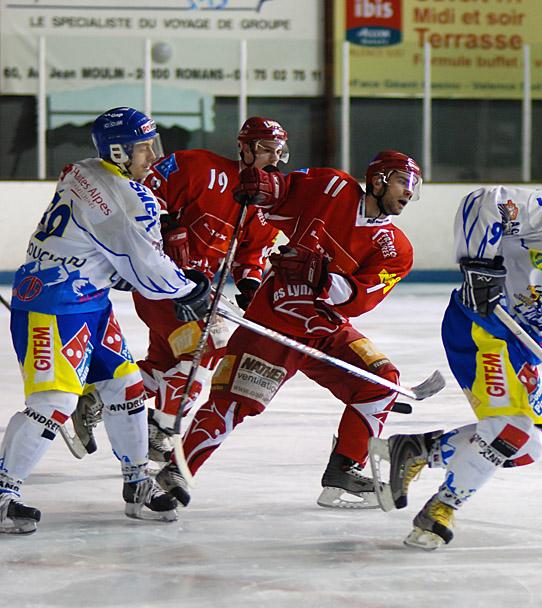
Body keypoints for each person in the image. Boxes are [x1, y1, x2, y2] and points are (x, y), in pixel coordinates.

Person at [368, 161, 542, 550]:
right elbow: (485, 202)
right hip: (481, 327)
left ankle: (417, 450)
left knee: (526, 447)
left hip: (523, 348)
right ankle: (441, 509)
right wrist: (479, 265)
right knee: (511, 428)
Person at [155, 150, 423, 510]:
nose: (409, 192)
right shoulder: (332, 187)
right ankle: (177, 470)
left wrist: (322, 278)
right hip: (273, 322)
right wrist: (262, 186)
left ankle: (345, 468)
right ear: (378, 179)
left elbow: (362, 299)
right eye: (404, 182)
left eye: (414, 186)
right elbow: (280, 192)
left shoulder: (398, 250)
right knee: (233, 404)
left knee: (381, 382)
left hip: (325, 328)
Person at [0, 107, 212, 534]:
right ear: (117, 150)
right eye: (143, 148)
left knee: (126, 385)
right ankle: (3, 492)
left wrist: (113, 269)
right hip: (51, 307)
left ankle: (137, 484)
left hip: (88, 302)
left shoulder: (83, 170)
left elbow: (100, 242)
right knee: (54, 403)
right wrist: (188, 287)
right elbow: (149, 272)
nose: (152, 156)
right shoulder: (125, 201)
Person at [109, 117, 283, 463]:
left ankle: (98, 397)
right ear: (244, 148)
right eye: (265, 150)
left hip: (199, 292)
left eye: (278, 152)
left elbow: (252, 254)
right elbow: (143, 190)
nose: (273, 159)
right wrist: (162, 222)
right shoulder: (197, 165)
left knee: (164, 364)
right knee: (208, 351)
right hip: (161, 282)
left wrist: (250, 285)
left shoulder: (264, 203)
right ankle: (161, 430)